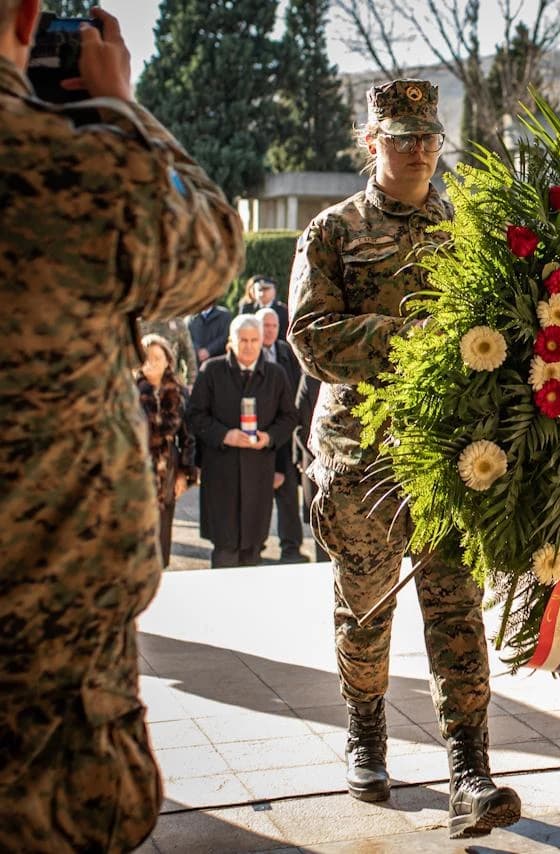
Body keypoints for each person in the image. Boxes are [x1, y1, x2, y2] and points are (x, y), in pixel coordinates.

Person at [0, 4, 243, 848]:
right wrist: (121, 110)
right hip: (44, 654)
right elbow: (211, 247)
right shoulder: (72, 169)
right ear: (30, 19)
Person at [288, 79, 521, 836]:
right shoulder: (333, 230)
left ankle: (470, 766)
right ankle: (367, 732)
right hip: (362, 455)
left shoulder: (462, 229)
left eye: (428, 137)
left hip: (452, 454)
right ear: (370, 143)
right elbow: (310, 336)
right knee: (367, 606)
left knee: (458, 608)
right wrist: (407, 340)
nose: (417, 149)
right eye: (401, 137)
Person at [187, 314, 298, 567]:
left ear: (261, 341)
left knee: (253, 548)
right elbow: (194, 415)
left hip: (259, 470)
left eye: (254, 340)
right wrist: (225, 435)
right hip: (221, 471)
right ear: (231, 341)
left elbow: (289, 416)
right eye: (243, 340)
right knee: (225, 549)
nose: (248, 346)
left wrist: (269, 437)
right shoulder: (212, 370)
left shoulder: (275, 374)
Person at [137, 335, 197, 568]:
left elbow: (189, 436)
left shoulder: (179, 393)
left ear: (167, 361)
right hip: (138, 470)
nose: (151, 362)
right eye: (146, 358)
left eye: (157, 357)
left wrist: (185, 473)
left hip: (168, 469)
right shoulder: (129, 392)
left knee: (162, 537)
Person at [256, 307, 307, 562]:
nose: (269, 330)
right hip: (258, 432)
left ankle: (291, 548)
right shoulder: (251, 352)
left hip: (284, 431)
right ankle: (256, 547)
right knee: (258, 498)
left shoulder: (285, 351)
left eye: (273, 326)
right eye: (264, 325)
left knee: (287, 495)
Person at [294, 373, 328, 562]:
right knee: (323, 541)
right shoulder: (311, 377)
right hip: (319, 471)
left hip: (359, 478)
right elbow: (300, 426)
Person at [140, 316, 199, 387]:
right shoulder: (140, 323)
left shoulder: (177, 323)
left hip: (172, 380)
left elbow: (189, 354)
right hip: (145, 379)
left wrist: (191, 383)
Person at [188, 301, 233, 368]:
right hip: (196, 364)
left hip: (218, 364)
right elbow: (188, 337)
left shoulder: (225, 315)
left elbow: (225, 336)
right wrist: (198, 350)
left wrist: (209, 350)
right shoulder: (190, 317)